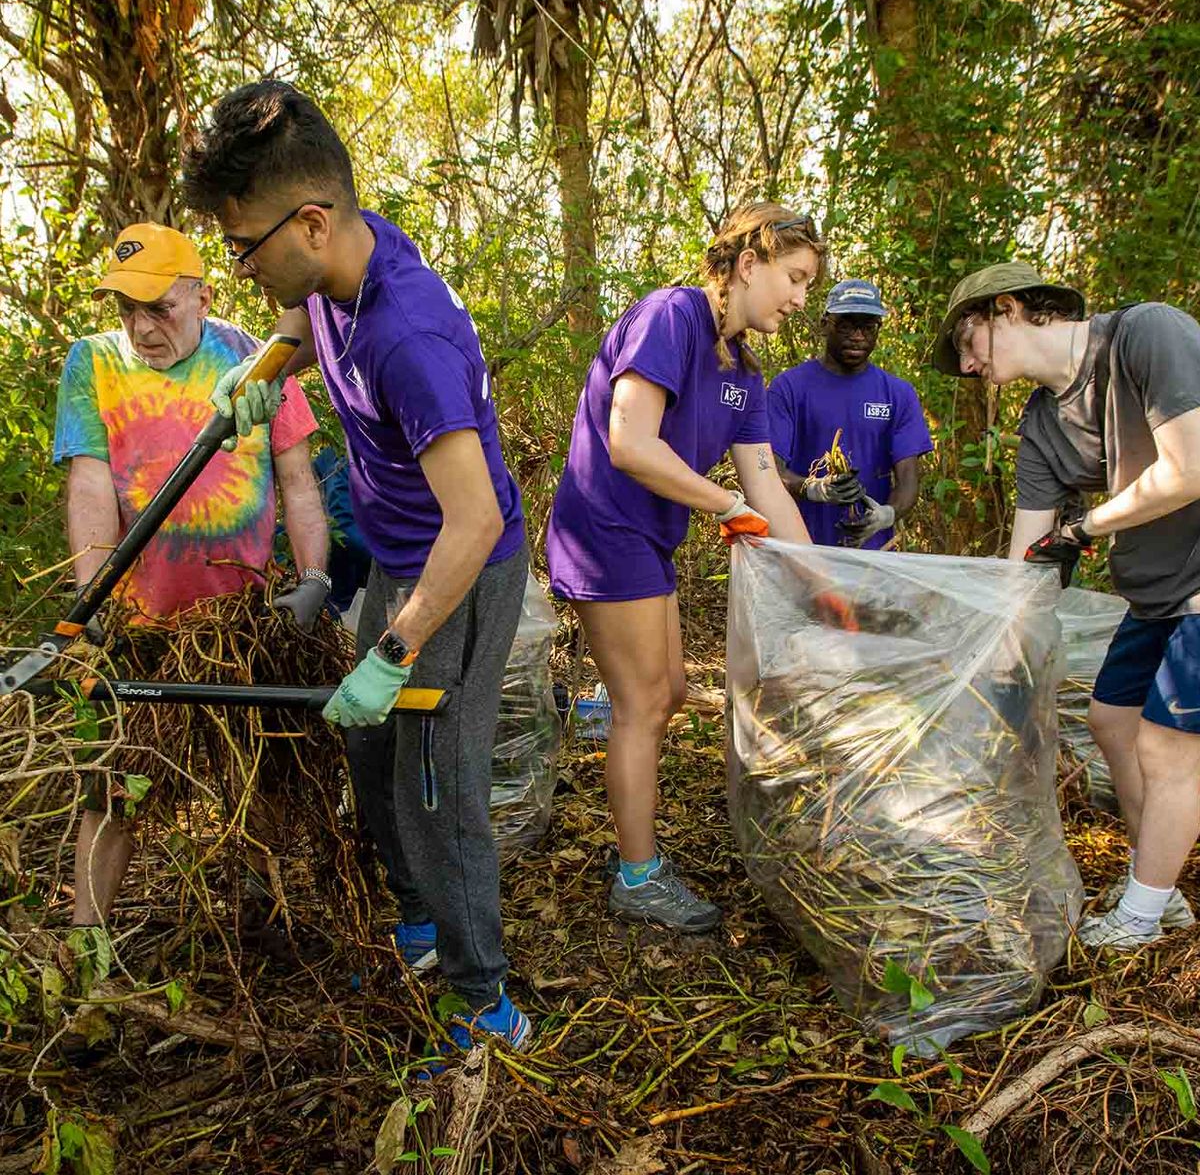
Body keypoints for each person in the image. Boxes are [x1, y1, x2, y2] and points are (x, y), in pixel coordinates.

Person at [182, 80, 532, 1052]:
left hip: (461, 572)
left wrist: (394, 647)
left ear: (311, 220)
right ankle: (419, 924)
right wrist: (261, 375)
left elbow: (470, 521)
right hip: (396, 549)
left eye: (246, 245)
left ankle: (486, 1002)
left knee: (438, 784)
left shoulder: (406, 336)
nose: (240, 264)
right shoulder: (333, 266)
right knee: (371, 750)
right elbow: (300, 326)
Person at [545, 202, 854, 932]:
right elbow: (628, 441)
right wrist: (722, 506)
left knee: (672, 692)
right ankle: (638, 877)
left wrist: (826, 582)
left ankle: (597, 725)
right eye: (796, 278)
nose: (802, 300)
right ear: (750, 262)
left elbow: (767, 485)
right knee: (645, 703)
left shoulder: (744, 369)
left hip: (649, 538)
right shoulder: (670, 317)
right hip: (603, 528)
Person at [53, 221, 330, 929]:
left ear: (202, 296)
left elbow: (298, 481)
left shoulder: (256, 356)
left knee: (261, 774)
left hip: (241, 625)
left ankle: (261, 915)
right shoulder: (92, 363)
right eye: (127, 310)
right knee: (111, 790)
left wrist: (314, 579)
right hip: (138, 626)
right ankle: (87, 955)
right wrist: (91, 609)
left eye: (159, 308)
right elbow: (89, 486)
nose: (142, 327)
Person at [933, 260, 1200, 950]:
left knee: (1166, 748)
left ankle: (1140, 916)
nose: (968, 365)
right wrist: (992, 668)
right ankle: (1160, 889)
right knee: (1111, 721)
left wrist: (1084, 529)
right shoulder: (1042, 425)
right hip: (1156, 593)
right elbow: (1026, 559)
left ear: (1014, 308)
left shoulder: (1146, 335)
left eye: (970, 340)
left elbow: (1188, 468)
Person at [769, 279, 932, 548]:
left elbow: (908, 481)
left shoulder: (898, 394)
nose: (858, 336)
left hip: (870, 559)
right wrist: (812, 488)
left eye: (868, 327)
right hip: (800, 549)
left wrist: (885, 515)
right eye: (846, 325)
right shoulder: (788, 388)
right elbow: (769, 471)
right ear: (824, 324)